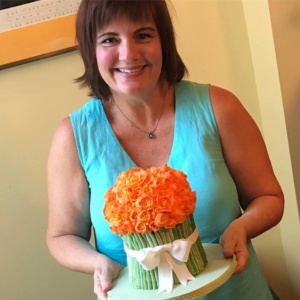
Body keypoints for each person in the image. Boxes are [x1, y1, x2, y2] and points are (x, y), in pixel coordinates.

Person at [46, 0, 284, 299]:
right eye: (109, 40)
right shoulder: (73, 136)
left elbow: (269, 196)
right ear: (90, 51)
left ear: (165, 41)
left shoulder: (219, 107)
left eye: (143, 35)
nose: (128, 54)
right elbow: (62, 236)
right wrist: (96, 262)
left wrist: (243, 227)